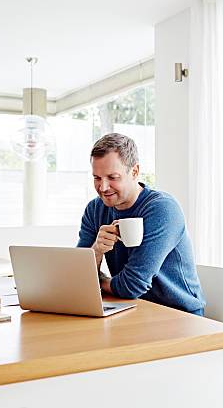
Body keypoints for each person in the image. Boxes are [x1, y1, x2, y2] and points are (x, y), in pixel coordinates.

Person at [76, 133, 206, 315]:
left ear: (135, 172)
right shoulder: (95, 209)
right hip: (133, 309)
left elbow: (132, 285)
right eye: (97, 178)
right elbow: (78, 277)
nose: (103, 187)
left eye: (112, 177)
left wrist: (100, 282)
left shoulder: (162, 209)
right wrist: (96, 250)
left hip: (179, 315)